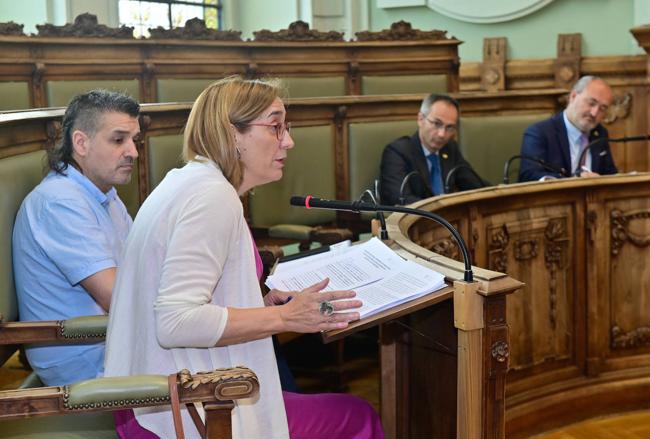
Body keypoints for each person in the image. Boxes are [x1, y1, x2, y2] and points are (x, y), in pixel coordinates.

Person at [104, 76, 384, 439]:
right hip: (182, 410)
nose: (288, 141)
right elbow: (174, 321)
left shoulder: (190, 181)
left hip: (159, 393)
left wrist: (262, 302)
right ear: (231, 133)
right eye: (275, 127)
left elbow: (189, 291)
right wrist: (284, 315)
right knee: (356, 417)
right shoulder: (211, 197)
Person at [12, 89, 140, 386]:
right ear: (81, 142)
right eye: (119, 139)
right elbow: (117, 296)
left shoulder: (104, 193)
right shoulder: (60, 203)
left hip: (111, 342)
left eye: (135, 140)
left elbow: (143, 266)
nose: (133, 151)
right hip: (87, 362)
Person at [379, 93, 485, 205]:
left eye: (449, 127)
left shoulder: (449, 148)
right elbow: (399, 199)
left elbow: (474, 185)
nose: (442, 134)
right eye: (437, 124)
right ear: (420, 119)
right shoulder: (397, 152)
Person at [518, 75, 618, 182]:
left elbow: (609, 173)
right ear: (573, 96)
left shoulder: (599, 134)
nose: (594, 113)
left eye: (602, 109)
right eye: (591, 103)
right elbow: (529, 175)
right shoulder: (539, 133)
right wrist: (571, 182)